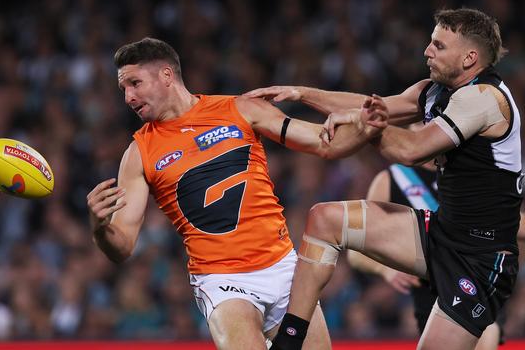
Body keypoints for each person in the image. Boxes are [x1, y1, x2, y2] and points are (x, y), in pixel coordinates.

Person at [246, 8, 523, 350]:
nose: (427, 51)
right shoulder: (435, 91)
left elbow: (411, 148)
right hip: (441, 232)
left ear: (469, 58)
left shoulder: (484, 99)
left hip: (482, 258)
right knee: (324, 219)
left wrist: (368, 126)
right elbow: (372, 106)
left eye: (438, 45)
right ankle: (290, 340)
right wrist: (302, 94)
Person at [85, 37, 386, 349]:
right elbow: (122, 247)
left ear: (166, 75)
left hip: (283, 268)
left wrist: (368, 127)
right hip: (221, 280)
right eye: (124, 89)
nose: (128, 97)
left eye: (134, 83)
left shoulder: (239, 109)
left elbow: (325, 143)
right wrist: (98, 227)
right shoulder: (139, 153)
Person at [347, 160, 525, 350]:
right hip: (430, 302)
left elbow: (511, 224)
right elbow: (358, 250)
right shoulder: (391, 179)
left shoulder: (467, 173)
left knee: (486, 334)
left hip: (476, 287)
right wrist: (385, 269)